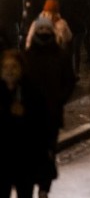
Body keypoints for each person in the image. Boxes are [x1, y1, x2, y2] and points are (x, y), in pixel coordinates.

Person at [25, 18, 74, 197]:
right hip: (31, 114)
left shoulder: (60, 55)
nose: (44, 31)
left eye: (47, 28)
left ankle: (44, 187)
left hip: (51, 113)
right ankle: (31, 184)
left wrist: (60, 99)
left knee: (48, 150)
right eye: (41, 28)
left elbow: (69, 81)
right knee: (32, 151)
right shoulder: (28, 56)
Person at [1, 49, 49, 198]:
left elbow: (42, 134)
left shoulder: (32, 92)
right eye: (5, 67)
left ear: (21, 68)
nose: (9, 71)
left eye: (13, 67)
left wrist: (43, 184)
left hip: (25, 161)